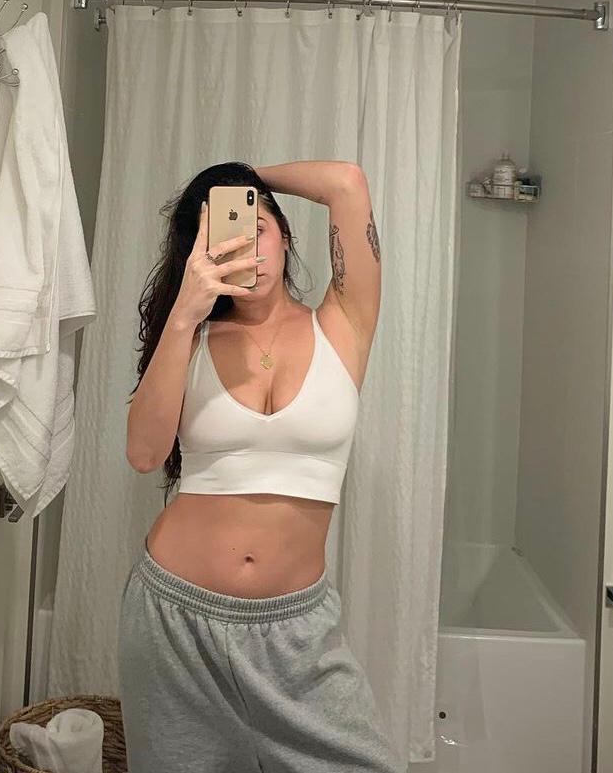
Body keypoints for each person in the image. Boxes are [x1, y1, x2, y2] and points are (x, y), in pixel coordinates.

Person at [118, 159, 401, 773]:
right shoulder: (191, 338)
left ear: (286, 236)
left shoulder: (343, 323)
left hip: (295, 634)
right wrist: (185, 312)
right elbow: (143, 454)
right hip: (174, 622)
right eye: (223, 232)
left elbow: (346, 183)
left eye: (257, 225)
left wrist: (240, 176)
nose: (244, 244)